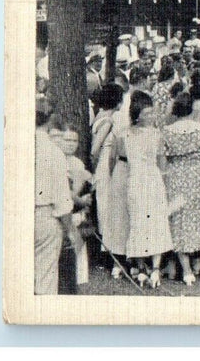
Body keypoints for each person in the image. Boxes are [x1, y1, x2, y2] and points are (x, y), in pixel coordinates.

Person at [162, 92, 200, 285]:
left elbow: (164, 155)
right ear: (192, 108)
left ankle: (186, 269)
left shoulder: (167, 130)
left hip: (176, 174)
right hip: (196, 173)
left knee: (179, 219)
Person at [122, 90, 173, 288]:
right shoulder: (155, 134)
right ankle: (150, 267)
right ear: (137, 115)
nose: (151, 117)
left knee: (142, 221)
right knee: (150, 221)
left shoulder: (126, 133)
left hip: (139, 179)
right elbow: (162, 163)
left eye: (152, 113)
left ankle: (148, 267)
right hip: (148, 178)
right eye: (147, 113)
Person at [35, 99, 76, 295]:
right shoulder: (52, 152)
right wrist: (71, 231)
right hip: (44, 215)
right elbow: (62, 201)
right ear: (50, 121)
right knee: (44, 277)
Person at [89, 84, 126, 277]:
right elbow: (95, 148)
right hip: (105, 167)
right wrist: (96, 168)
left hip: (104, 166)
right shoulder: (109, 120)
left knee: (106, 209)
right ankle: (108, 254)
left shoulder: (100, 116)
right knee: (107, 210)